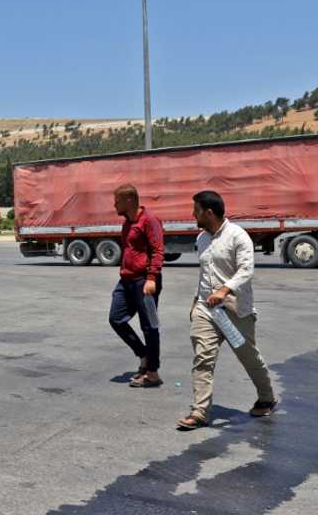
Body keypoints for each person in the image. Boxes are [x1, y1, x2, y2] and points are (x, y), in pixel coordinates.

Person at [177, 190, 277, 431]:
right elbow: (204, 273)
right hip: (206, 308)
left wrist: (224, 290)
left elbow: (246, 271)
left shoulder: (238, 236)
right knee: (203, 357)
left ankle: (267, 397)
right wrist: (195, 300)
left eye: (196, 210)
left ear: (208, 212)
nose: (193, 214)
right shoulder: (201, 238)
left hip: (234, 309)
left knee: (248, 356)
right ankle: (200, 411)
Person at [107, 184, 165, 389]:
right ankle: (143, 355)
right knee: (116, 318)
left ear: (129, 200)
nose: (114, 204)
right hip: (127, 281)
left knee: (150, 326)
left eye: (117, 200)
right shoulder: (127, 223)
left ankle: (152, 373)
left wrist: (151, 278)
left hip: (144, 282)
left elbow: (158, 251)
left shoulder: (149, 220)